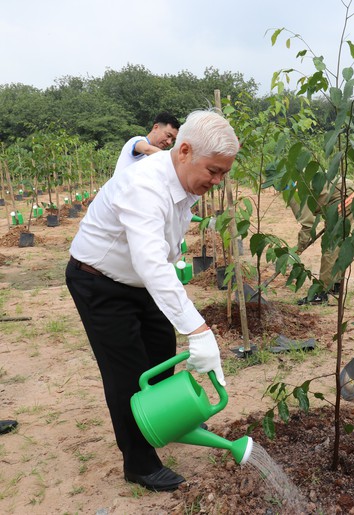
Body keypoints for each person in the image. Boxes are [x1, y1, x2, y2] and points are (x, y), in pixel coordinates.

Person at [66, 110, 238, 492]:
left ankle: (169, 422)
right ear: (185, 150)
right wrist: (198, 328)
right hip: (100, 282)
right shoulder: (144, 184)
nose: (217, 181)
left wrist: (183, 314)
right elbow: (149, 262)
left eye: (224, 174)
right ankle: (139, 462)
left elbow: (163, 257)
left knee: (161, 358)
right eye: (213, 171)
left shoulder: (184, 185)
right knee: (127, 372)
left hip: (140, 283)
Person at [291, 179, 354, 305]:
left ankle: (321, 293)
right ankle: (335, 283)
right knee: (337, 244)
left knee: (330, 247)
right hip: (344, 195)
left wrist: (299, 248)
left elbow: (307, 225)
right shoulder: (300, 180)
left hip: (343, 198)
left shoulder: (295, 193)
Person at [114, 112, 181, 174]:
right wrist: (176, 159)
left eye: (173, 140)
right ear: (156, 127)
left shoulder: (157, 158)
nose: (169, 142)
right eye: (168, 136)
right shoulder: (136, 140)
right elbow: (147, 149)